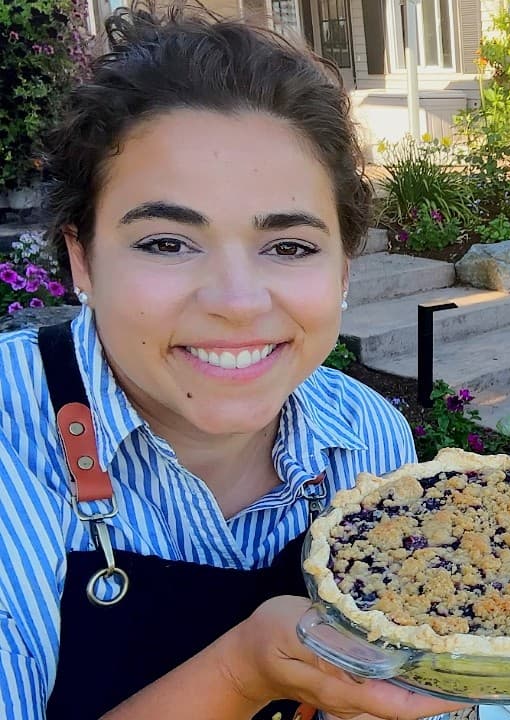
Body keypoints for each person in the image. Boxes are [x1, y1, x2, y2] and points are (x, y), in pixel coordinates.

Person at [0, 6, 468, 719]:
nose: (238, 302)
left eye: (289, 247)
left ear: (344, 270)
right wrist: (244, 674)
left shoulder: (368, 440)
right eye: (166, 243)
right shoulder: (12, 456)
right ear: (81, 259)